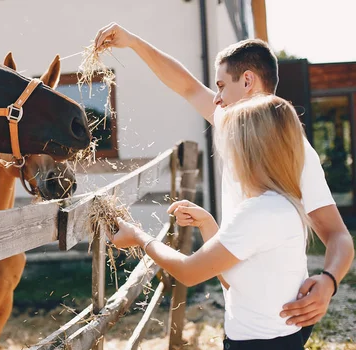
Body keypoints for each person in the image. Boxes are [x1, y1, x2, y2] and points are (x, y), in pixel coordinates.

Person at [93, 22, 353, 332]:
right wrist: (134, 41)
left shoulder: (298, 155)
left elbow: (338, 235)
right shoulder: (235, 128)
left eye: (220, 85)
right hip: (242, 310)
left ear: (247, 81)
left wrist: (329, 281)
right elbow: (186, 86)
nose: (215, 98)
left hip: (277, 321)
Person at [110, 94, 327, 350]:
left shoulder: (258, 212)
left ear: (251, 151)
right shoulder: (280, 204)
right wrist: (209, 224)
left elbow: (188, 272)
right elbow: (232, 277)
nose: (228, 157)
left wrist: (139, 237)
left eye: (231, 147)